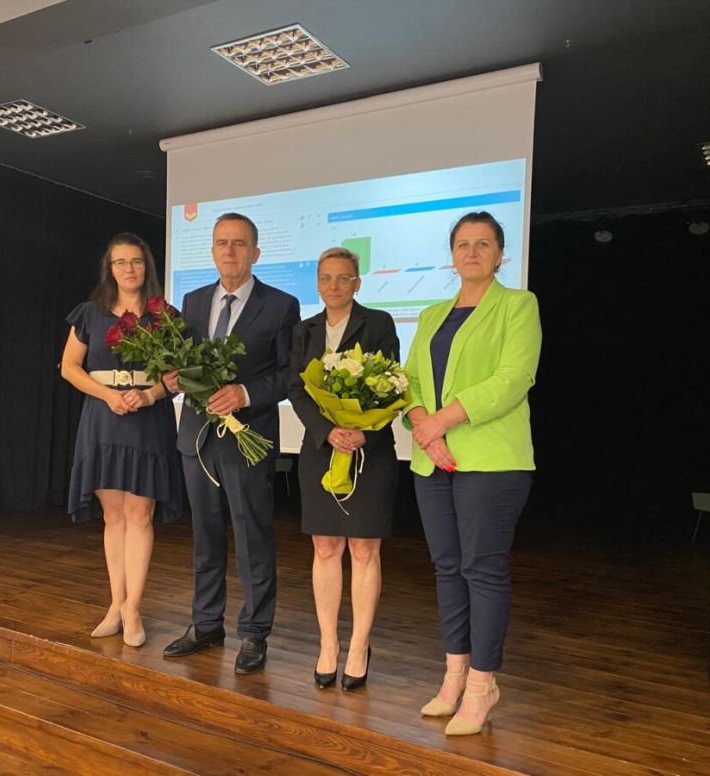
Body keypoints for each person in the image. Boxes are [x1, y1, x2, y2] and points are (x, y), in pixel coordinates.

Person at [402, 211, 541, 735]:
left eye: (484, 244)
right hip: (430, 457)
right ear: (452, 254)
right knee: (446, 567)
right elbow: (410, 381)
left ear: (500, 254)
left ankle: (483, 685)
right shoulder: (431, 314)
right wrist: (425, 425)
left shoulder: (518, 305)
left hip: (492, 459)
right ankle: (454, 676)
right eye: (463, 244)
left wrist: (442, 421)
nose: (472, 252)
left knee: (482, 569)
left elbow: (514, 378)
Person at [162, 213, 300, 674]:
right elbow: (184, 363)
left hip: (247, 438)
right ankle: (206, 624)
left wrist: (245, 393)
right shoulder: (193, 301)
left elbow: (289, 374)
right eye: (222, 242)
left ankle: (255, 633)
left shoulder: (280, 305)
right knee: (205, 536)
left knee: (252, 536)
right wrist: (174, 377)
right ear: (212, 250)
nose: (230, 251)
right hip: (197, 438)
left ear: (255, 252)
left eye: (239, 243)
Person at [61, 232, 183, 648]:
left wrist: (149, 394)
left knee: (140, 515)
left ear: (147, 267)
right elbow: (69, 367)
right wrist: (108, 395)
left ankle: (134, 610)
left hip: (148, 419)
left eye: (136, 261)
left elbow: (179, 376)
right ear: (109, 269)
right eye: (120, 262)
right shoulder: (89, 313)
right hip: (104, 417)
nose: (129, 269)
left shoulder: (165, 316)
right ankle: (115, 604)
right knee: (114, 517)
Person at [288, 247, 399, 691]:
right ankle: (329, 643)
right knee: (325, 548)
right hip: (321, 448)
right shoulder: (304, 330)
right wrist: (327, 430)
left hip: (370, 451)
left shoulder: (379, 323)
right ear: (317, 284)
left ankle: (359, 645)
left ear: (357, 283)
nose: (334, 285)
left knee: (365, 550)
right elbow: (296, 390)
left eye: (343, 278)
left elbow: (392, 383)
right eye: (326, 278)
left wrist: (362, 432)